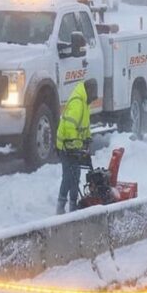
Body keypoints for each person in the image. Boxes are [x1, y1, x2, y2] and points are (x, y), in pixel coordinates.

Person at [55, 78, 97, 214]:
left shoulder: (85, 104)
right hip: (66, 147)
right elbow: (70, 125)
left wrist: (88, 139)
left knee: (76, 176)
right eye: (93, 96)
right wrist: (75, 144)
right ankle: (60, 207)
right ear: (89, 91)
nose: (93, 99)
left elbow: (85, 126)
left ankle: (73, 206)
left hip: (74, 148)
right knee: (68, 176)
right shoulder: (78, 103)